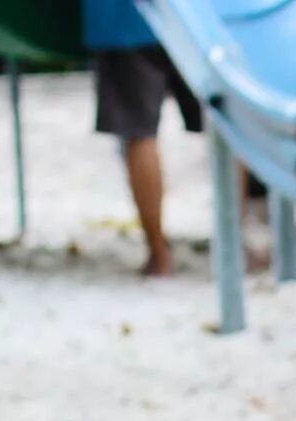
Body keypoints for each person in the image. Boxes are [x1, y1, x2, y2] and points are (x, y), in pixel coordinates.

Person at [83, 0, 206, 277]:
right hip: (199, 18)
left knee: (138, 132)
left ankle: (158, 256)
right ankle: (233, 244)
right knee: (226, 124)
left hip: (124, 20)